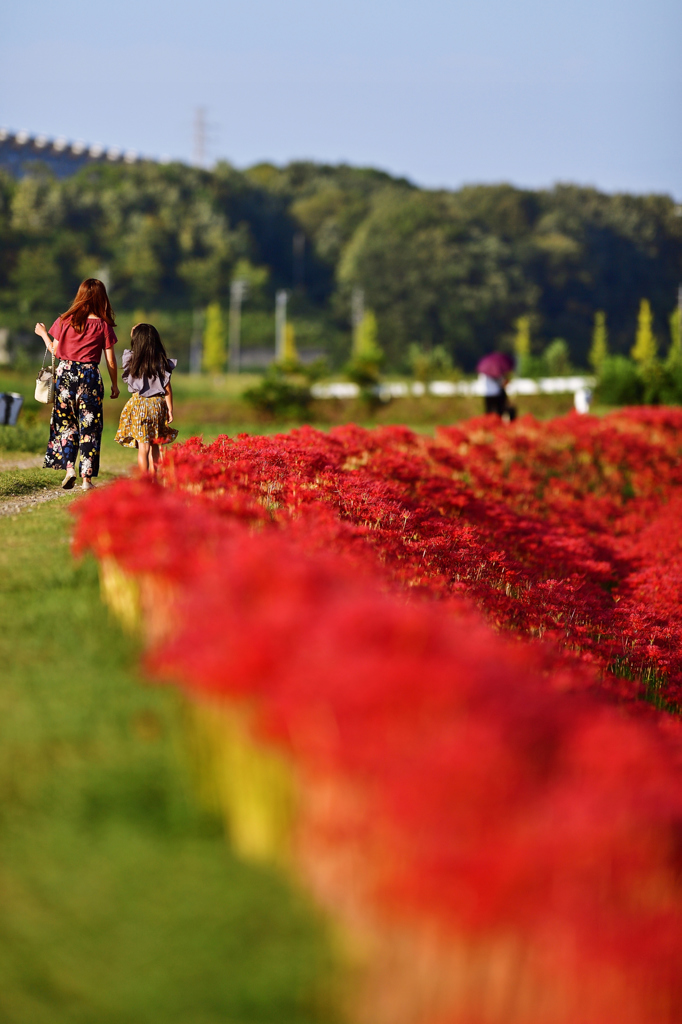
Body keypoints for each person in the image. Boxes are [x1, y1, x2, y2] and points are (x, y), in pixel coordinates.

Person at [35, 278, 119, 491]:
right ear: (102, 298)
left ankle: (70, 468)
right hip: (89, 377)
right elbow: (110, 360)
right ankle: (86, 480)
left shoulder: (64, 320)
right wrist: (115, 385)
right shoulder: (103, 325)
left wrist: (44, 334)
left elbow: (55, 350)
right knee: (89, 428)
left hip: (64, 376)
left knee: (66, 425)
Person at [114, 323, 178, 474]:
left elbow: (128, 353)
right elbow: (167, 388)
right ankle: (154, 478)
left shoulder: (132, 360)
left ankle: (144, 480)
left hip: (139, 404)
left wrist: (133, 336)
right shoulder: (161, 362)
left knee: (143, 447)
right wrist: (170, 409)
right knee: (155, 444)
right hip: (157, 404)